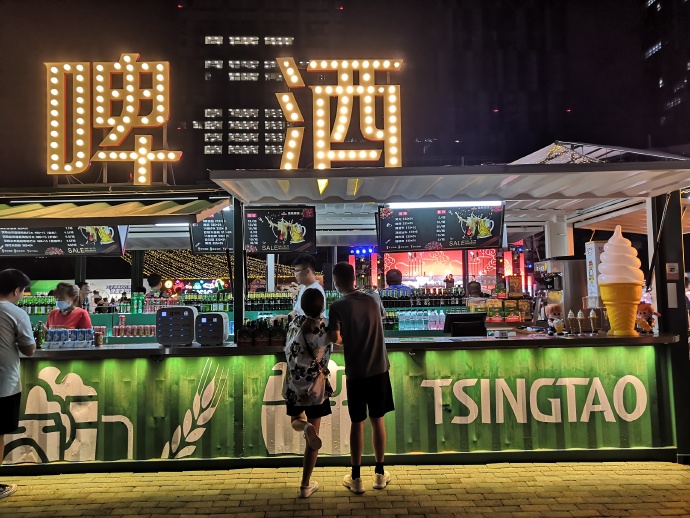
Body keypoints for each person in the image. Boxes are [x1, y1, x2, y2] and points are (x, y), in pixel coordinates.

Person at [328, 262, 394, 494]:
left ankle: (356, 478)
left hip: (356, 371)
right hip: (379, 368)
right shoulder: (374, 298)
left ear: (336, 282)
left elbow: (335, 338)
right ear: (354, 277)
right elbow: (380, 320)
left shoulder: (337, 306)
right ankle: (379, 474)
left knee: (358, 423)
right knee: (378, 420)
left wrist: (348, 338)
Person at [282, 288, 333, 498]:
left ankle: (305, 427)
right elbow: (340, 339)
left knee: (296, 420)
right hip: (316, 388)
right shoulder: (326, 327)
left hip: (295, 384)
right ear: (323, 306)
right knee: (314, 437)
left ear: (301, 306)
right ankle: (305, 485)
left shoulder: (294, 323)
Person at [0, 269, 36, 499]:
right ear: (16, 290)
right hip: (4, 384)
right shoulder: (16, 313)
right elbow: (29, 349)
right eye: (23, 291)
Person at [282, 255, 326, 320]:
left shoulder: (315, 291)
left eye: (297, 271)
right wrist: (282, 317)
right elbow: (295, 312)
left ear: (307, 271)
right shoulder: (304, 287)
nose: (295, 274)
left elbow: (310, 318)